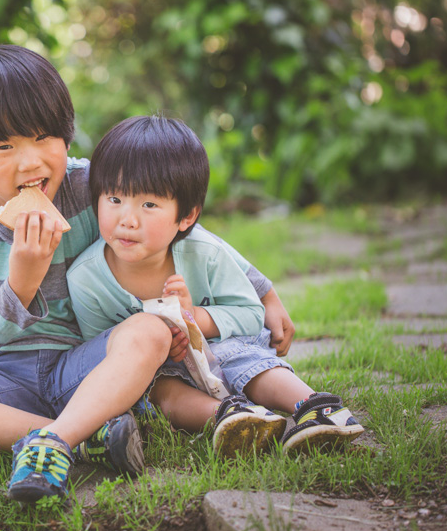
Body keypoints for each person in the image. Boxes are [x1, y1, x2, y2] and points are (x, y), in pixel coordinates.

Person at [0, 45, 290, 503]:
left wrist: (263, 289)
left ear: (67, 135)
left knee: (150, 327)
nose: (31, 162)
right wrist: (21, 282)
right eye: (4, 147)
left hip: (88, 364)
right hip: (3, 378)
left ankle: (65, 436)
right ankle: (81, 435)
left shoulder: (92, 185)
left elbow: (179, 230)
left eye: (44, 138)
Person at [66, 115, 364, 457]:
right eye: (114, 199)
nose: (127, 219)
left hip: (220, 344)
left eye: (149, 204)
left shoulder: (204, 253)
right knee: (159, 392)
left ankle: (317, 408)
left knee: (243, 359)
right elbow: (101, 350)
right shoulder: (86, 278)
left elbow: (251, 314)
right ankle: (234, 417)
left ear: (187, 216)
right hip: (161, 372)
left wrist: (195, 318)